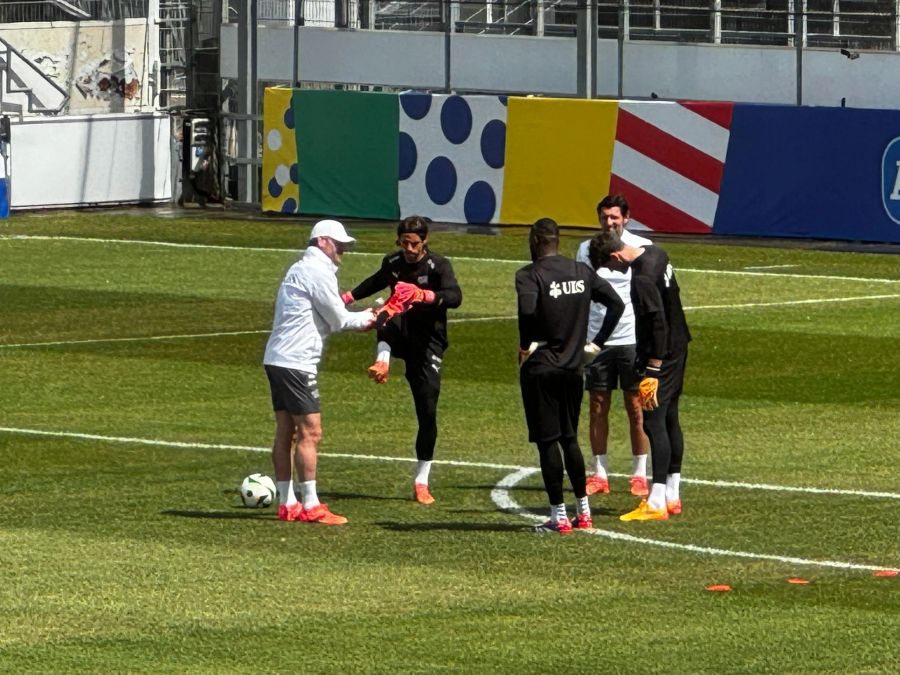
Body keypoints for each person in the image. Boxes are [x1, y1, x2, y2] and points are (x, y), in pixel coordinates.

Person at [341, 215, 462, 505]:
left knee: (427, 411)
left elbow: (455, 296)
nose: (409, 248)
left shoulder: (438, 266)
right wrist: (347, 296)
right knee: (387, 311)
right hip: (399, 332)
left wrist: (423, 295)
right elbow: (377, 281)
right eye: (404, 242)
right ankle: (382, 360)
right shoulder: (393, 263)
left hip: (428, 342)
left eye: (414, 243)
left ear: (425, 241)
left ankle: (422, 480)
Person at [263, 219, 376, 526]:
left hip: (279, 358)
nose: (343, 250)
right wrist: (378, 315)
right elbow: (340, 320)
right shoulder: (316, 271)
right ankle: (311, 504)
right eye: (339, 245)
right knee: (311, 431)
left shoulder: (302, 268)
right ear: (323, 242)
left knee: (286, 430)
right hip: (296, 361)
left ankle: (288, 503)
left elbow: (327, 316)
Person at [516, 218, 624, 534]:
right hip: (573, 368)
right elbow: (615, 305)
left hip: (542, 366)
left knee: (548, 441)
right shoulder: (581, 272)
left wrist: (525, 345)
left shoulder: (529, 275)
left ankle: (558, 517)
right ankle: (584, 512)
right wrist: (595, 344)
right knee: (569, 438)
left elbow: (526, 311)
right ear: (558, 241)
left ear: (535, 240)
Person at [589, 229, 691, 521]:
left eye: (609, 265)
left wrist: (653, 368)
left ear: (615, 255)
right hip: (680, 344)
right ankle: (672, 493)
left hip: (663, 355)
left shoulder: (642, 277)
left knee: (653, 420)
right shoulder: (658, 254)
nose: (612, 270)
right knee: (670, 417)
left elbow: (657, 321)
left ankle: (656, 500)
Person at [575, 194, 653, 498]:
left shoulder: (639, 248)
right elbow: (581, 291)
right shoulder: (586, 250)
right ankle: (600, 473)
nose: (609, 223)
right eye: (605, 217)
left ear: (626, 218)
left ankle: (638, 473)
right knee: (597, 405)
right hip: (597, 340)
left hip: (631, 338)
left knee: (636, 406)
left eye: (614, 217)